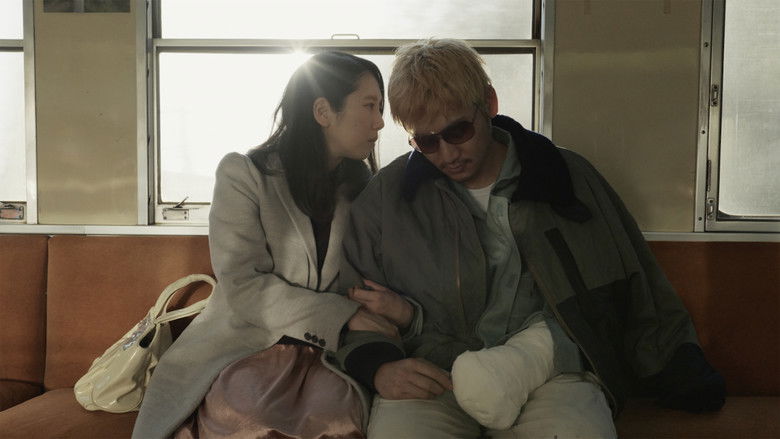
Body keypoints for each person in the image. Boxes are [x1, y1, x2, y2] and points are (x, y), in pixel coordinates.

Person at [337, 39, 725, 438]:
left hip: (553, 374)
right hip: (433, 371)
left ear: (489, 104)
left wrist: (676, 361)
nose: (448, 154)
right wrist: (379, 366)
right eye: (428, 142)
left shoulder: (565, 177)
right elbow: (357, 300)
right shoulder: (388, 197)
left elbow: (632, 277)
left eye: (459, 131)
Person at [133, 51, 394, 439]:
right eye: (370, 106)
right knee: (251, 414)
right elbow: (244, 285)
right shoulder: (245, 174)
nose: (380, 122)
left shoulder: (363, 188)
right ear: (323, 112)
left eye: (380, 108)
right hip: (248, 343)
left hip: (327, 353)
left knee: (339, 418)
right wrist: (343, 315)